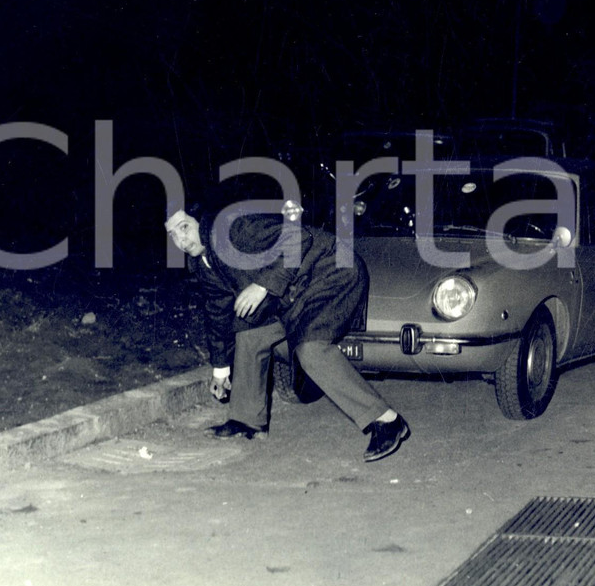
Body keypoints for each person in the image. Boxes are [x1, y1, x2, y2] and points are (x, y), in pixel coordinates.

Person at [164, 197, 410, 463]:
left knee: (311, 349)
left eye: (184, 227)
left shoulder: (232, 229)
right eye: (172, 234)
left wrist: (262, 286)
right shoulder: (204, 264)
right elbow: (218, 314)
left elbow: (298, 238)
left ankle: (386, 420)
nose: (180, 240)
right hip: (293, 294)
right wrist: (220, 368)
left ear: (200, 220)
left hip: (332, 271)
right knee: (249, 333)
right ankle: (247, 421)